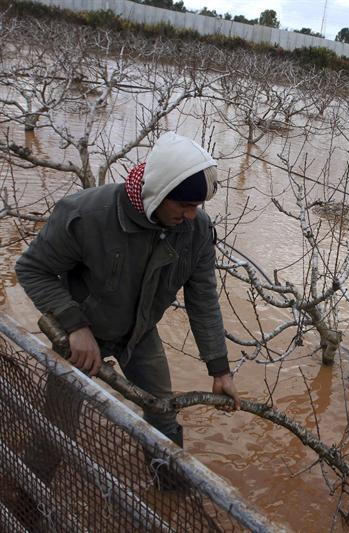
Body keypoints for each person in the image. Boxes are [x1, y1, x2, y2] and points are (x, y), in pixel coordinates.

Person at [15, 132, 240, 447]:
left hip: (140, 334)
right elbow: (32, 269)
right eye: (185, 205)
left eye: (198, 206)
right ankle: (37, 475)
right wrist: (75, 326)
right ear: (158, 193)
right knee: (58, 421)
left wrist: (220, 370)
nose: (192, 215)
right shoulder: (86, 214)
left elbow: (203, 301)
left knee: (163, 412)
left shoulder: (196, 230)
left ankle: (166, 477)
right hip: (81, 331)